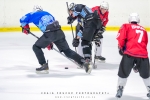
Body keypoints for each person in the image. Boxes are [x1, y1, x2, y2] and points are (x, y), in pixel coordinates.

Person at [19, 5, 92, 74]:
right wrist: (49, 42)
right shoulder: (48, 13)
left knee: (36, 47)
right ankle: (84, 62)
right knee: (67, 51)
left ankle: (43, 65)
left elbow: (22, 19)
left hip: (50, 33)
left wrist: (25, 27)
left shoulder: (33, 13)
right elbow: (50, 27)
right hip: (59, 32)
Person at [116, 13, 150, 99]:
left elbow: (121, 38)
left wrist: (121, 48)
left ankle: (120, 89)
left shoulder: (126, 26)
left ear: (129, 19)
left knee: (123, 72)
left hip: (129, 53)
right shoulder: (143, 29)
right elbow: (145, 42)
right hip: (142, 54)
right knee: (146, 74)